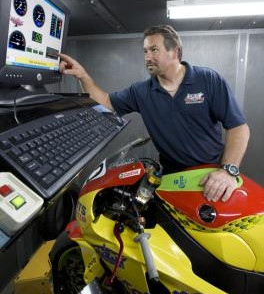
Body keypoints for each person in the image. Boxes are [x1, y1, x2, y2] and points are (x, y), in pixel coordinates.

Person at [59, 24, 250, 203]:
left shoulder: (208, 80)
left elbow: (238, 127)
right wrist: (83, 76)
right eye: (145, 51)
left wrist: (228, 171)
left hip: (212, 175)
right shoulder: (141, 91)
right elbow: (107, 103)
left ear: (175, 51)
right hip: (171, 178)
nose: (147, 57)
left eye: (154, 50)